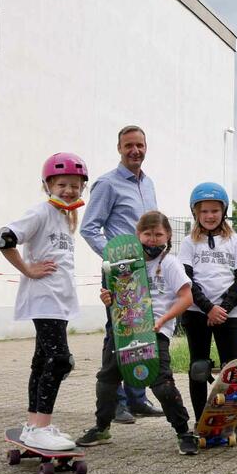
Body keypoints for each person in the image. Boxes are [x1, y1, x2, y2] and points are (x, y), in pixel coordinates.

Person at [76, 212, 199, 454]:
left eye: (158, 234)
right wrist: (107, 298)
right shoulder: (124, 265)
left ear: (168, 236)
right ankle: (102, 428)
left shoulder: (170, 264)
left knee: (161, 384)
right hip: (123, 332)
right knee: (107, 380)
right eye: (147, 234)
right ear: (137, 235)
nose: (153, 239)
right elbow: (113, 299)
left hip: (156, 332)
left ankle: (183, 432)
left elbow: (186, 298)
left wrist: (163, 320)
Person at [0, 153, 89, 450]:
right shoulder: (41, 212)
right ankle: (40, 427)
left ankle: (34, 424)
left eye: (75, 185)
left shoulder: (64, 216)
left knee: (41, 361)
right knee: (60, 361)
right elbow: (2, 238)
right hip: (45, 298)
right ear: (48, 185)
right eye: (62, 184)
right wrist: (27, 269)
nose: (69, 190)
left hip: (57, 300)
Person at [80, 125, 162, 423]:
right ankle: (113, 402)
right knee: (118, 334)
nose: (135, 150)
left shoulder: (148, 183)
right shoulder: (107, 184)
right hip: (119, 274)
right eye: (129, 145)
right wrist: (115, 258)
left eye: (139, 145)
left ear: (145, 147)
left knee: (140, 332)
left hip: (143, 272)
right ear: (119, 148)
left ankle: (136, 397)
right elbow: (89, 228)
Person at [179, 182, 237, 442]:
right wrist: (208, 308)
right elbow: (187, 281)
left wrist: (222, 308)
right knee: (198, 368)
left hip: (228, 314)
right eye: (204, 211)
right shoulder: (189, 242)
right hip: (197, 313)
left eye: (214, 210)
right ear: (196, 214)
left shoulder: (235, 241)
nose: (210, 216)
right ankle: (201, 421)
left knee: (232, 372)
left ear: (223, 211)